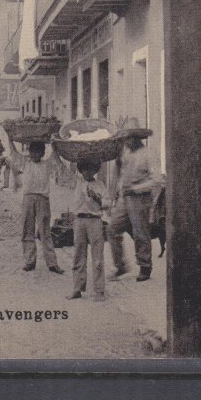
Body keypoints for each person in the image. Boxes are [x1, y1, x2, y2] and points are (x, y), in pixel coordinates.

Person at [107, 124, 160, 282]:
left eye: (129, 138)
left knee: (140, 232)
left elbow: (157, 180)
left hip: (140, 198)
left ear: (137, 138)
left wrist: (137, 189)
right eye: (125, 138)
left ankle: (145, 266)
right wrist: (116, 193)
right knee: (112, 228)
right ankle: (120, 265)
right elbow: (121, 175)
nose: (126, 141)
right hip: (124, 198)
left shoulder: (149, 154)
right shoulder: (126, 154)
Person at [7, 139, 67, 274]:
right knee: (27, 229)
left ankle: (52, 263)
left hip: (43, 200)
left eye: (37, 152)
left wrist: (54, 143)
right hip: (28, 199)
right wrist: (10, 139)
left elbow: (55, 155)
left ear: (42, 153)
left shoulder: (47, 165)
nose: (34, 155)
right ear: (29, 153)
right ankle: (29, 261)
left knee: (45, 231)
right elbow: (14, 153)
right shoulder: (25, 163)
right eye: (32, 152)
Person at [67, 159, 110, 302]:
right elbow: (61, 167)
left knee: (97, 256)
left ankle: (99, 290)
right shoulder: (77, 182)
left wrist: (97, 198)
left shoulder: (100, 185)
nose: (88, 172)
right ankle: (77, 288)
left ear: (95, 171)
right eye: (85, 169)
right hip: (79, 221)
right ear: (81, 170)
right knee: (79, 255)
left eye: (91, 169)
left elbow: (107, 204)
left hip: (95, 221)